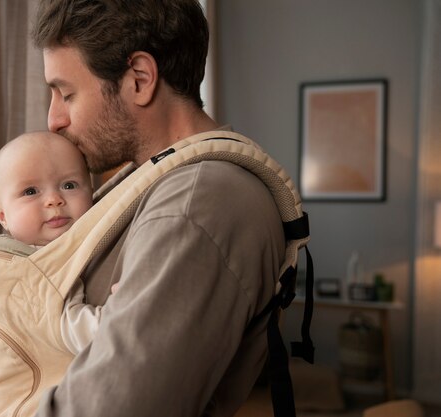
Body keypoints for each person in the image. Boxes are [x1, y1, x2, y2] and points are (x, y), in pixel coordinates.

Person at [30, 1, 287, 416]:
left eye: (66, 93)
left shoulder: (195, 203)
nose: (54, 119)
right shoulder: (165, 184)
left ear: (140, 79)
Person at [0, 130, 106, 355]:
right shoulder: (30, 271)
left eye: (69, 185)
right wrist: (122, 307)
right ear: (2, 215)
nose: (54, 200)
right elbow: (82, 334)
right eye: (30, 191)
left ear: (91, 192)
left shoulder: (63, 250)